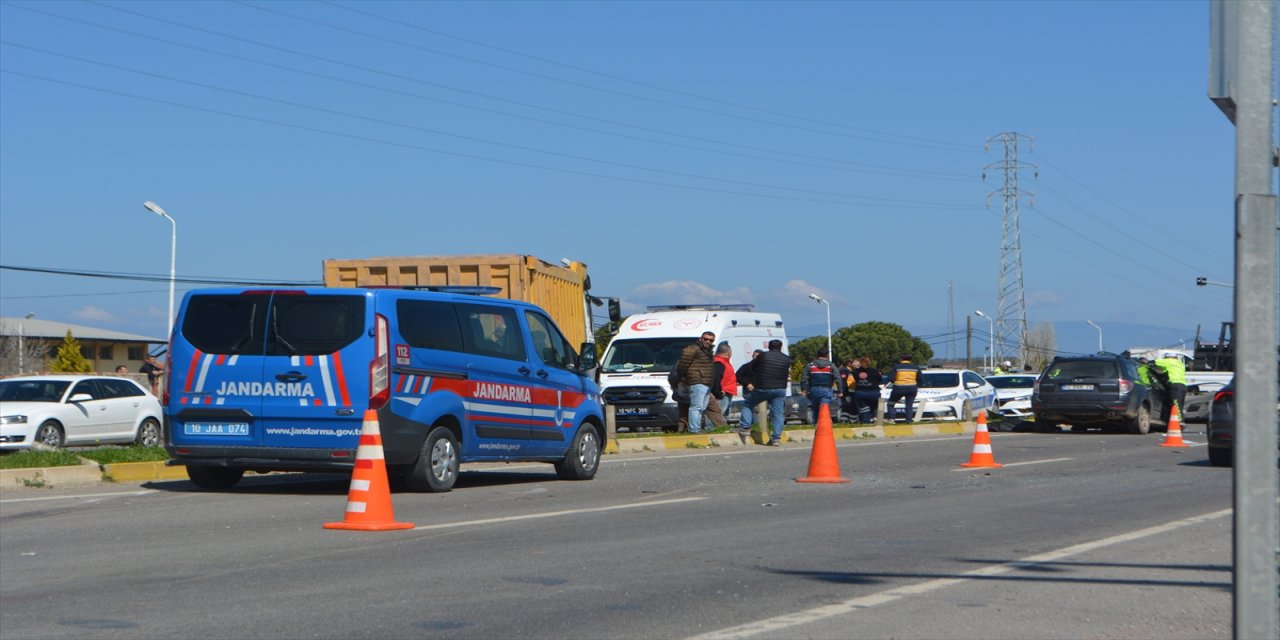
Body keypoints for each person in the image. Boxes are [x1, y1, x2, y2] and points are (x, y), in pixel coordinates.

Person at [737, 339, 792, 445]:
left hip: (763, 387)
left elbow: (753, 366)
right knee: (778, 413)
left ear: (769, 347)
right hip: (780, 389)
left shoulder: (763, 356)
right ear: (780, 347)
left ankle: (745, 428)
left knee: (748, 405)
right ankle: (776, 438)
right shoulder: (787, 359)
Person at [676, 331, 718, 434]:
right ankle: (694, 430)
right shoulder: (693, 349)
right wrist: (683, 378)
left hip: (707, 382)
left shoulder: (708, 351)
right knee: (696, 407)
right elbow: (682, 365)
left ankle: (697, 428)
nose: (708, 341)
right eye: (705, 339)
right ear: (701, 338)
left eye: (711, 340)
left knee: (702, 408)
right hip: (697, 381)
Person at [801, 348, 844, 424]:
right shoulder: (831, 366)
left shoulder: (810, 366)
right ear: (827, 355)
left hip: (813, 390)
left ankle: (816, 426)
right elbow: (838, 379)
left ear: (817, 355)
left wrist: (804, 389)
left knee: (816, 409)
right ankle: (824, 426)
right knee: (824, 408)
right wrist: (840, 391)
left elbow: (804, 378)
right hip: (826, 390)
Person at [734, 350, 763, 442]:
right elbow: (737, 376)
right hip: (748, 391)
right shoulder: (746, 366)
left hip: (760, 391)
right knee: (749, 408)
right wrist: (747, 384)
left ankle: (757, 427)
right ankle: (747, 427)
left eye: (758, 356)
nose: (756, 358)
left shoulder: (764, 368)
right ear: (752, 356)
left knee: (758, 410)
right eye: (755, 356)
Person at [886, 353, 924, 423]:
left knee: (890, 403)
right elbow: (921, 379)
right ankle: (909, 420)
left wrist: (896, 382)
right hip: (912, 388)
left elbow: (890, 378)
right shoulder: (916, 367)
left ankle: (891, 419)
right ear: (910, 359)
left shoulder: (897, 367)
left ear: (901, 359)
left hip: (899, 388)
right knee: (909, 405)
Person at [1153, 351, 1187, 418]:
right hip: (1183, 385)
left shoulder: (1167, 361)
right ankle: (1175, 420)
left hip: (1175, 385)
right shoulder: (1180, 364)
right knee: (1180, 404)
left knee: (1176, 404)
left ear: (1167, 357)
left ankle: (1179, 422)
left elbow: (1156, 362)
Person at [850, 357, 883, 424]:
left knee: (863, 408)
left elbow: (854, 379)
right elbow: (880, 379)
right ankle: (875, 418)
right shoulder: (874, 371)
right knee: (874, 406)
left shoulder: (855, 371)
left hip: (860, 393)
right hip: (874, 393)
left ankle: (865, 421)